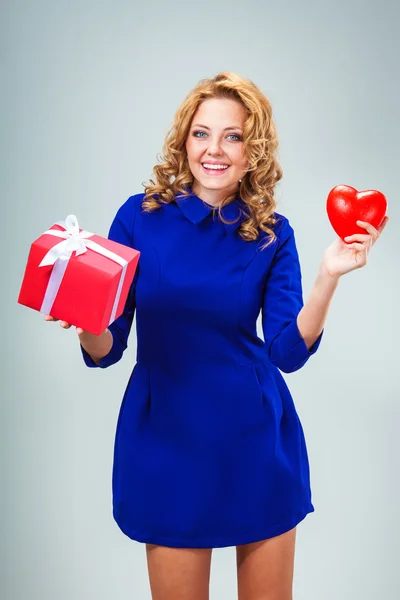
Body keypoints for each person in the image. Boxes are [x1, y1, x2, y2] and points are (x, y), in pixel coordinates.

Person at [45, 72, 388, 600]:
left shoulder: (274, 231)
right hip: (166, 440)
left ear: (254, 151)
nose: (215, 149)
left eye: (233, 136)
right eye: (202, 133)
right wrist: (86, 320)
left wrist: (329, 275)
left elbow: (287, 352)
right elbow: (108, 347)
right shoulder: (137, 219)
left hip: (254, 441)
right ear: (184, 141)